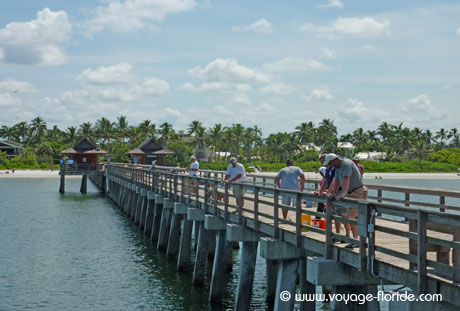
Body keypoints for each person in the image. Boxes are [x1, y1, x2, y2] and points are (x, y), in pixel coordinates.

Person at [324, 153, 368, 249]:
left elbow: (346, 178)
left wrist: (343, 193)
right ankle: (356, 240)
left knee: (351, 217)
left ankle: (356, 241)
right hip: (352, 193)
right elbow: (337, 181)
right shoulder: (337, 168)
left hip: (358, 191)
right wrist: (334, 193)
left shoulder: (346, 164)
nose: (331, 165)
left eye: (331, 163)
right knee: (351, 217)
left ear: (335, 160)